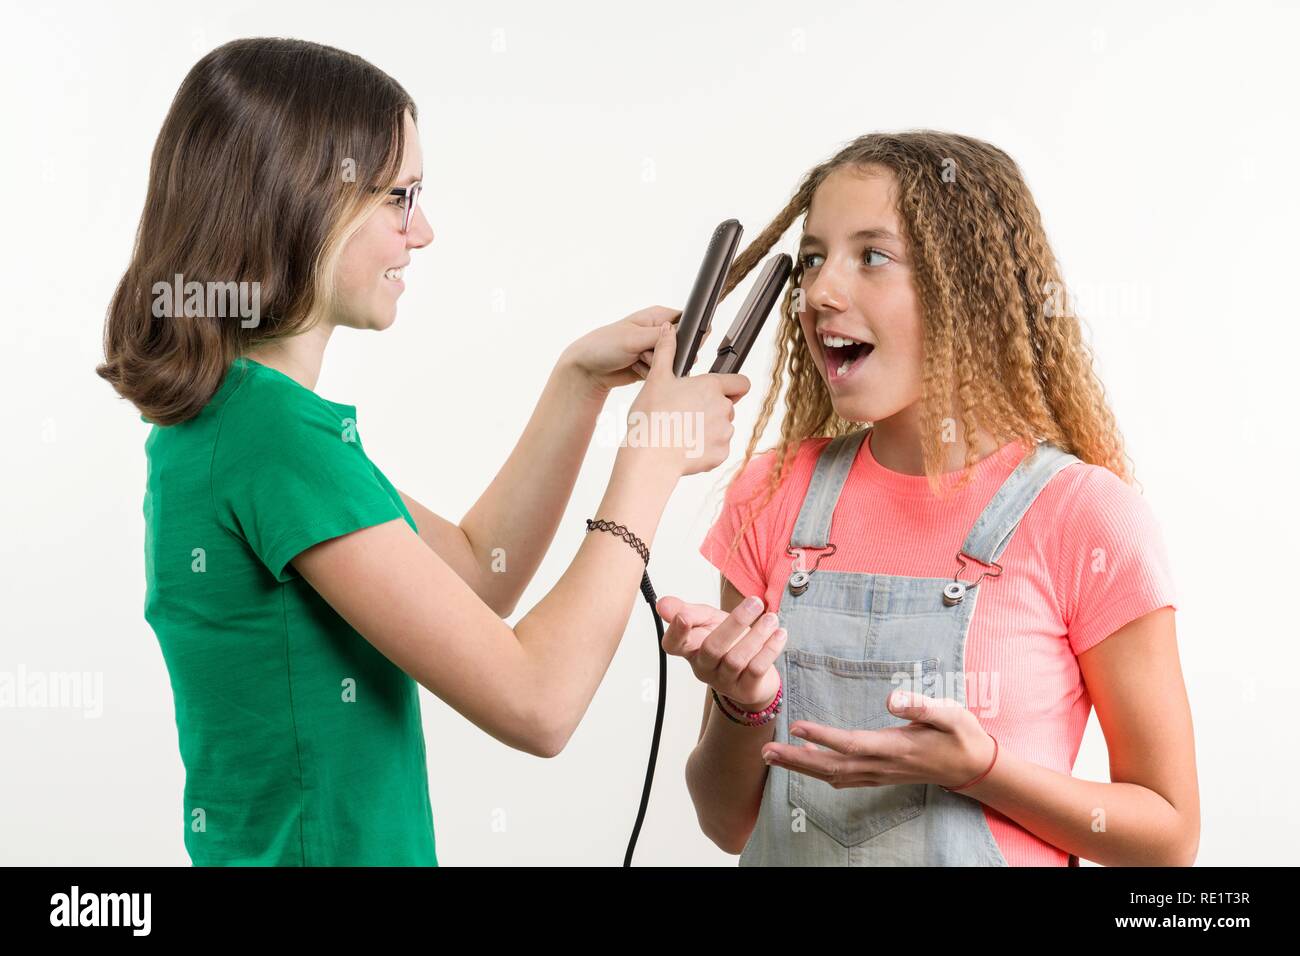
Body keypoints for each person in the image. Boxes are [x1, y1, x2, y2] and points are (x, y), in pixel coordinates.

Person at [96, 37, 748, 866]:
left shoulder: (238, 422)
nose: (425, 231)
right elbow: (540, 703)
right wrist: (650, 463)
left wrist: (576, 387)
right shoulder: (275, 441)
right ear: (302, 199)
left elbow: (477, 576)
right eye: (400, 197)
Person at [656, 131, 1198, 866]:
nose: (819, 292)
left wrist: (981, 772)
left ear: (968, 289)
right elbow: (729, 824)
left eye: (871, 256)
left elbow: (1167, 838)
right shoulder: (771, 494)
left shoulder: (1084, 517)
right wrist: (742, 704)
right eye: (812, 259)